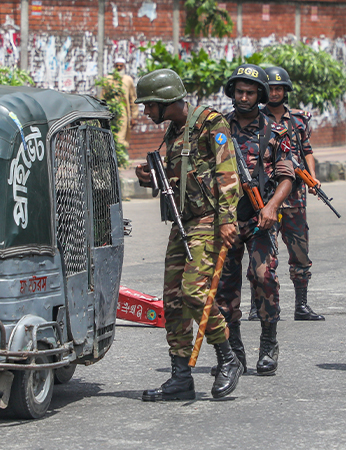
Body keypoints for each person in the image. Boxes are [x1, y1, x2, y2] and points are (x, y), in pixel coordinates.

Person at [134, 69, 243, 401]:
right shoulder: (174, 133)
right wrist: (151, 177)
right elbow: (178, 178)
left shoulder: (212, 124)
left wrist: (227, 221)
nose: (146, 112)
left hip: (209, 222)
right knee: (174, 299)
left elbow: (227, 174)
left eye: (150, 106)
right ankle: (181, 377)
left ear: (167, 102)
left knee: (194, 291)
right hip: (182, 223)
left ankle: (228, 357)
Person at [215, 64, 295, 376]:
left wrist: (272, 206)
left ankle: (268, 343)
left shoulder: (275, 132)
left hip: (261, 218)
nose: (244, 97)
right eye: (239, 91)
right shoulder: (218, 129)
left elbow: (287, 176)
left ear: (259, 95)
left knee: (264, 277)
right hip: (226, 220)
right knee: (225, 287)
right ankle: (234, 352)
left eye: (250, 92)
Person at [253, 65, 325, 322]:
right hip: (266, 196)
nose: (274, 92)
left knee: (300, 252)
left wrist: (312, 178)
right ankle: (256, 305)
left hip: (294, 197)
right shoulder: (256, 118)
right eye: (270, 88)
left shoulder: (298, 119)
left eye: (279, 88)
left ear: (286, 90)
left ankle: (301, 305)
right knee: (261, 252)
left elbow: (307, 151)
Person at [106, 58, 138, 149]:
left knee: (121, 139)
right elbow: (103, 97)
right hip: (110, 113)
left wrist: (134, 117)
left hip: (123, 114)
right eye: (117, 66)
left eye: (121, 66)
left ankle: (121, 160)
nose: (119, 68)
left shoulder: (128, 80)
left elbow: (133, 98)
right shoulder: (108, 80)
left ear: (124, 67)